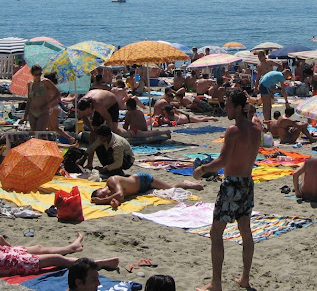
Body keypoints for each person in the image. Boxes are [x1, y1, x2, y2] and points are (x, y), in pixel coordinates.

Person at [193, 90, 261, 291]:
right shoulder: (257, 128)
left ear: (239, 107)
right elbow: (255, 117)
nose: (226, 108)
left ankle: (216, 283)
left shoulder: (233, 131)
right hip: (247, 183)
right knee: (245, 232)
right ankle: (245, 279)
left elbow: (222, 161)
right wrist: (252, 111)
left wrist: (202, 169)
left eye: (229, 105)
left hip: (232, 184)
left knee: (216, 232)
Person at [0, 233, 119, 277]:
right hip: (7, 261)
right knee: (56, 260)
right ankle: (98, 263)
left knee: (39, 247)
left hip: (3, 253)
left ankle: (72, 246)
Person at [91, 172, 202, 209]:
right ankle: (186, 183)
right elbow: (118, 199)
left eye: (103, 194)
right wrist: (114, 203)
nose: (106, 196)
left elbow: (120, 195)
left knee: (169, 188)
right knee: (167, 187)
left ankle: (189, 185)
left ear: (101, 189)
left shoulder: (112, 181)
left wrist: (101, 201)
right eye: (104, 197)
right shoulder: (112, 194)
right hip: (140, 189)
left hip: (143, 179)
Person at [23, 64, 61, 132]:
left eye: (39, 74)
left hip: (43, 111)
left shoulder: (45, 82)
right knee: (34, 134)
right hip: (32, 111)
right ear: (32, 74)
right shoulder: (30, 84)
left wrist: (48, 104)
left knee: (39, 133)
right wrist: (24, 116)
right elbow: (29, 101)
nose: (38, 76)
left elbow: (57, 93)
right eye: (36, 74)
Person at [256, 51, 286, 121]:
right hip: (264, 83)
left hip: (271, 83)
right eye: (258, 57)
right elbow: (258, 77)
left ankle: (268, 119)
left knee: (269, 103)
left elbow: (280, 65)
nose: (259, 58)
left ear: (264, 56)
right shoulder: (259, 66)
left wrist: (276, 74)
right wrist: (255, 87)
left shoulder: (269, 62)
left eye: (260, 56)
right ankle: (266, 119)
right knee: (265, 104)